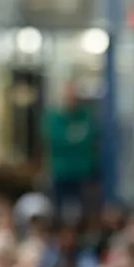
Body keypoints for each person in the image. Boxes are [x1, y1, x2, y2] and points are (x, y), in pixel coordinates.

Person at [44, 82, 97, 220]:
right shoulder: (54, 118)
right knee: (59, 212)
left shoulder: (85, 116)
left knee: (83, 212)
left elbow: (89, 138)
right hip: (60, 173)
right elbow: (56, 140)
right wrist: (73, 139)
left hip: (82, 173)